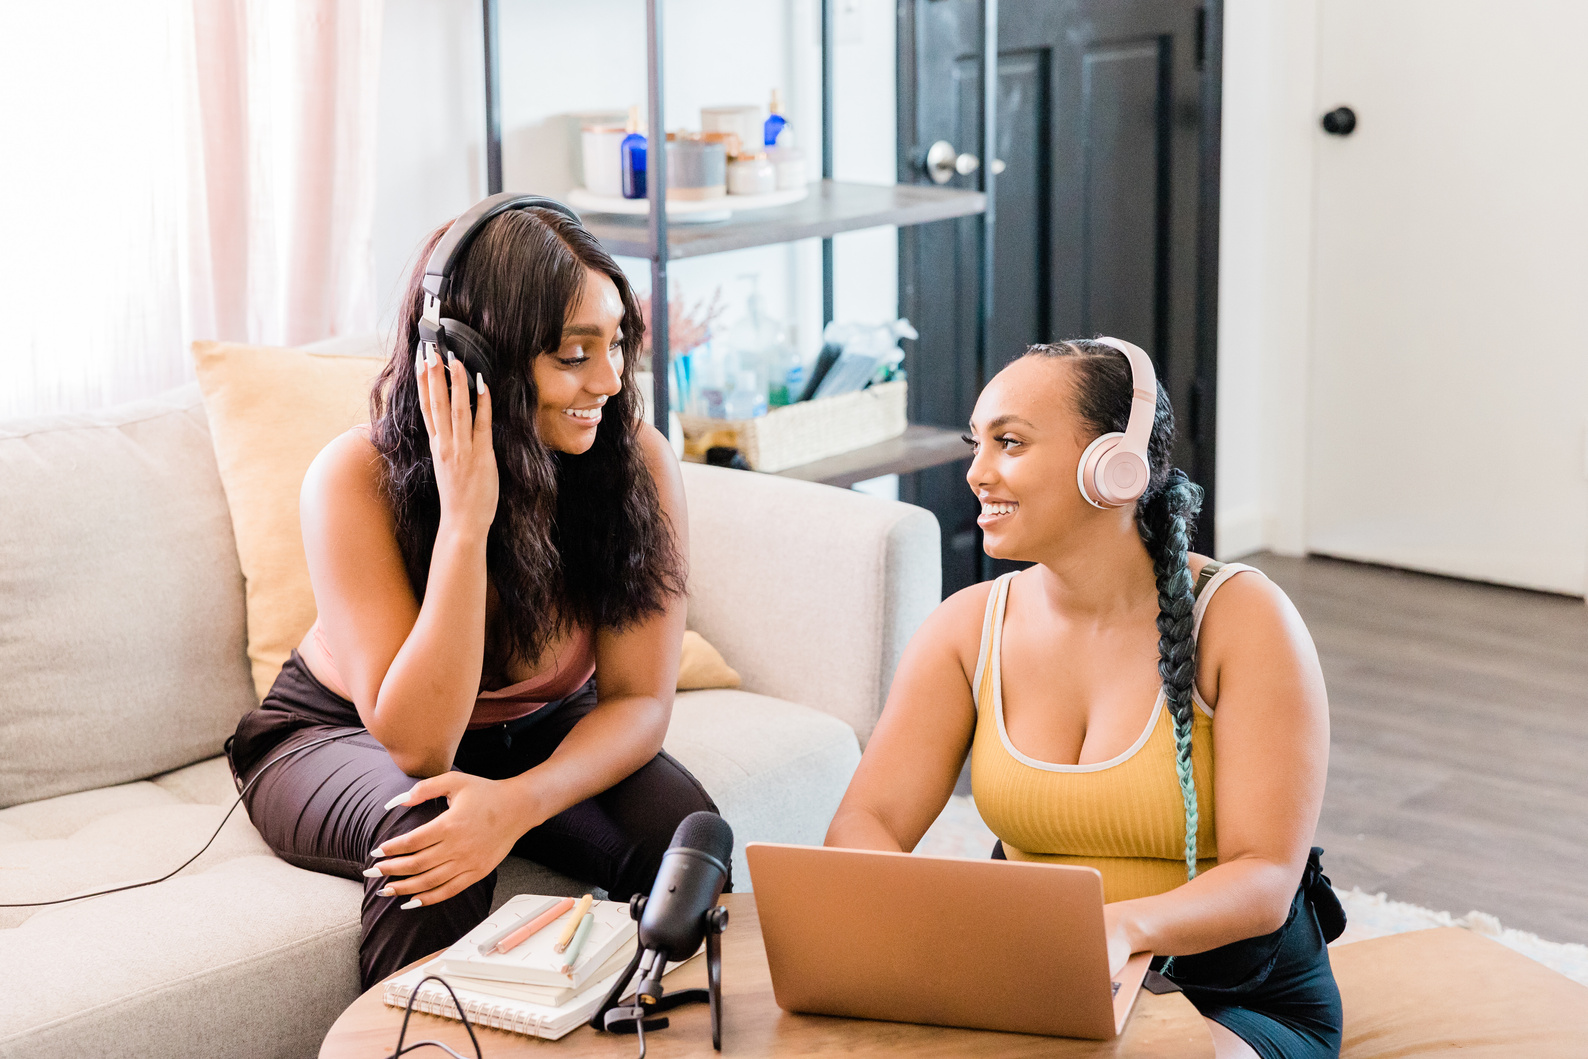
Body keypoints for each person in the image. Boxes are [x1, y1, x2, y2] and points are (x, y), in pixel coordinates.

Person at [226, 198, 717, 989]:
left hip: (537, 732)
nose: (610, 379)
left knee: (688, 839)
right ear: (471, 359)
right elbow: (419, 747)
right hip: (336, 733)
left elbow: (638, 704)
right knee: (430, 835)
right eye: (573, 353)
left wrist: (514, 804)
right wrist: (465, 520)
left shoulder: (636, 465)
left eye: (616, 342)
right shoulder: (352, 480)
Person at [825, 339, 1344, 1058]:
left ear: (1113, 466)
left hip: (1227, 998)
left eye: (1010, 442)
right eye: (978, 443)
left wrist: (1118, 928)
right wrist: (937, 927)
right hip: (1036, 988)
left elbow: (1265, 878)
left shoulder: (1242, 618)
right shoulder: (967, 626)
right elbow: (867, 821)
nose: (978, 472)